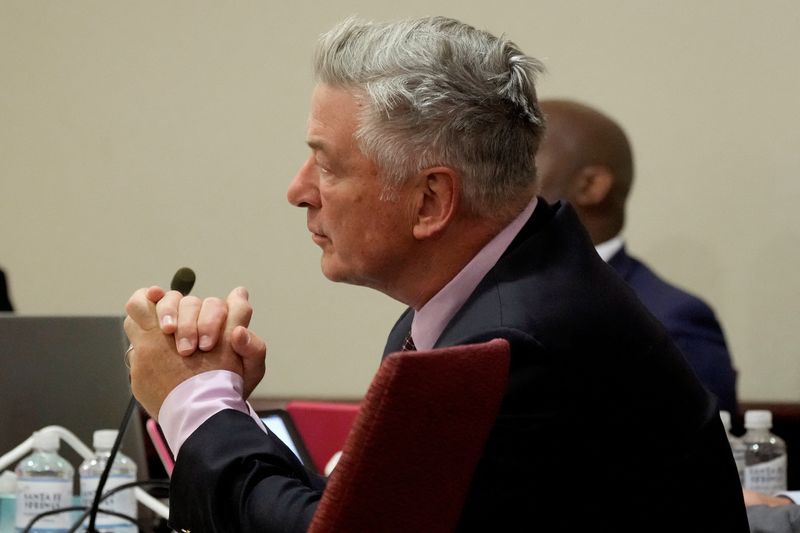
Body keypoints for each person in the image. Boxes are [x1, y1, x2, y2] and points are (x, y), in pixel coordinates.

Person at [123, 16, 749, 532]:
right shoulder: (503, 290)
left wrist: (196, 401)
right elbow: (358, 517)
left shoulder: (514, 343)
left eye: (328, 165)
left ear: (430, 201)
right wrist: (220, 401)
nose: (298, 191)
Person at [534, 99, 739, 415]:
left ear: (590, 185)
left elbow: (703, 455)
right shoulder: (480, 294)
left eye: (522, 161)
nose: (499, 176)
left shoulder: (670, 320)